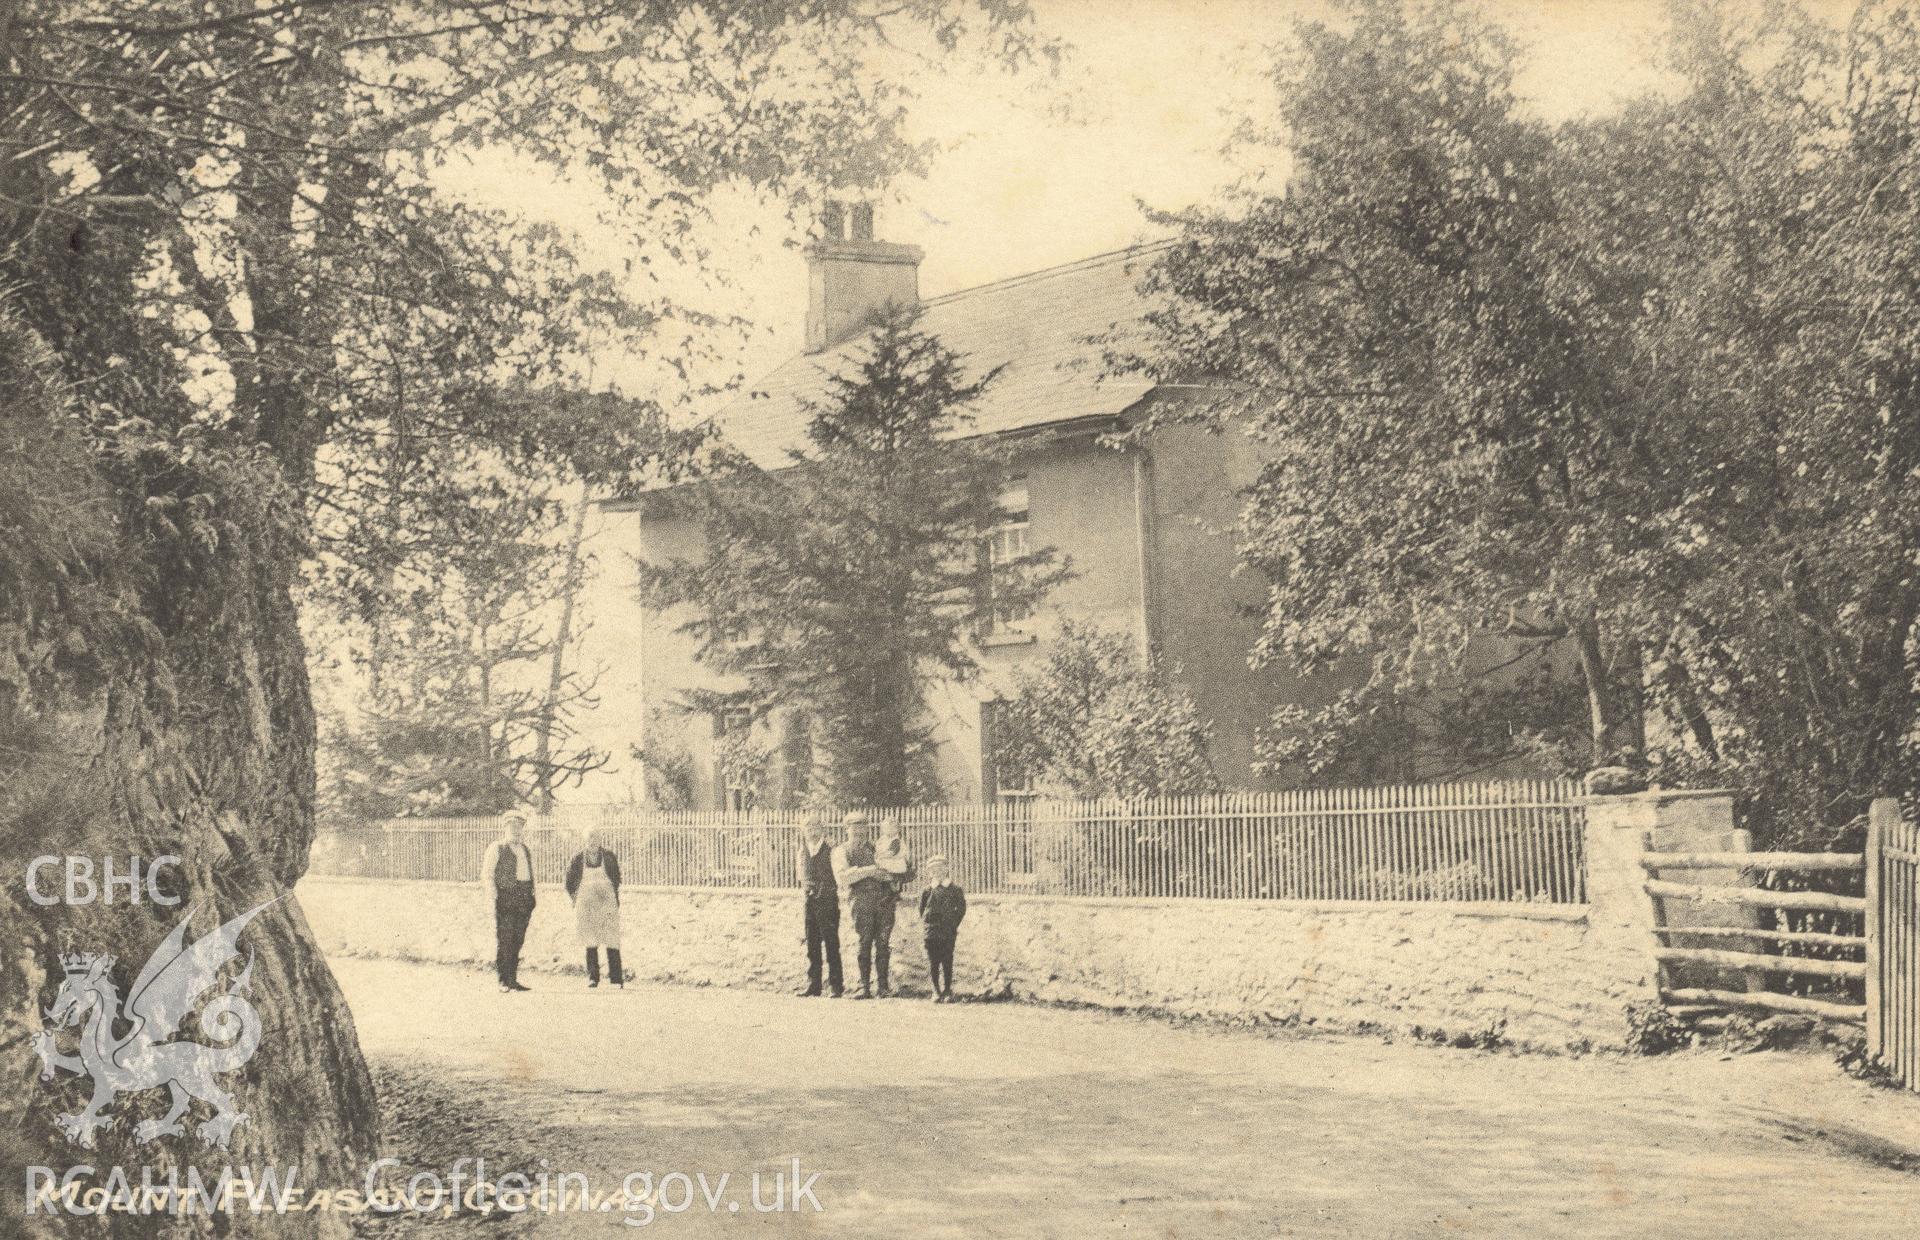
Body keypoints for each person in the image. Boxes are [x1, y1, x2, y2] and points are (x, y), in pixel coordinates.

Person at [832, 812, 894, 999]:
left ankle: (883, 987)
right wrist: (870, 871)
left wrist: (882, 874)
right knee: (864, 940)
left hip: (883, 900)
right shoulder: (841, 851)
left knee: (883, 942)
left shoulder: (877, 848)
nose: (859, 831)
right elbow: (843, 878)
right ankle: (864, 986)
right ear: (847, 829)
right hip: (860, 900)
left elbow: (889, 872)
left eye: (863, 827)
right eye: (855, 827)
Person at [479, 809, 537, 992]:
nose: (516, 830)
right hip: (506, 896)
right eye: (512, 827)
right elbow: (487, 874)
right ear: (505, 828)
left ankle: (513, 978)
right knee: (505, 937)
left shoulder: (526, 849)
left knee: (518, 938)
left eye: (519, 827)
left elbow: (531, 873)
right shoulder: (497, 848)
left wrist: (533, 893)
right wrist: (493, 894)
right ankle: (503, 980)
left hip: (524, 896)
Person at [564, 830, 624, 988]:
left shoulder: (609, 856)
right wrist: (577, 898)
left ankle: (616, 979)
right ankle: (593, 977)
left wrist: (610, 894)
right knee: (590, 939)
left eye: (596, 838)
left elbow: (617, 877)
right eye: (590, 838)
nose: (593, 841)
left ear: (600, 839)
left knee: (612, 938)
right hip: (587, 904)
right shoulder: (577, 859)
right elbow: (569, 882)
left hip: (607, 902)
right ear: (585, 840)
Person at [795, 815, 844, 997]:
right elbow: (800, 874)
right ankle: (814, 985)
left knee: (831, 943)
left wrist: (826, 890)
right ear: (803, 831)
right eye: (808, 828)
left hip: (828, 900)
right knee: (812, 944)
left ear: (822, 829)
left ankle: (836, 986)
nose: (812, 831)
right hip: (810, 900)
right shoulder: (802, 850)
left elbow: (838, 875)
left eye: (815, 827)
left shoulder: (832, 849)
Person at [918, 854, 967, 1002]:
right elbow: (922, 910)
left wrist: (952, 923)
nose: (937, 872)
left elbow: (961, 909)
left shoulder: (955, 889)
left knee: (947, 960)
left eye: (940, 869)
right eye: (933, 870)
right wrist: (928, 924)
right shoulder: (927, 891)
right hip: (931, 931)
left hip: (947, 930)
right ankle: (935, 990)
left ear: (946, 870)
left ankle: (947, 990)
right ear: (929, 872)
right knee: (933, 961)